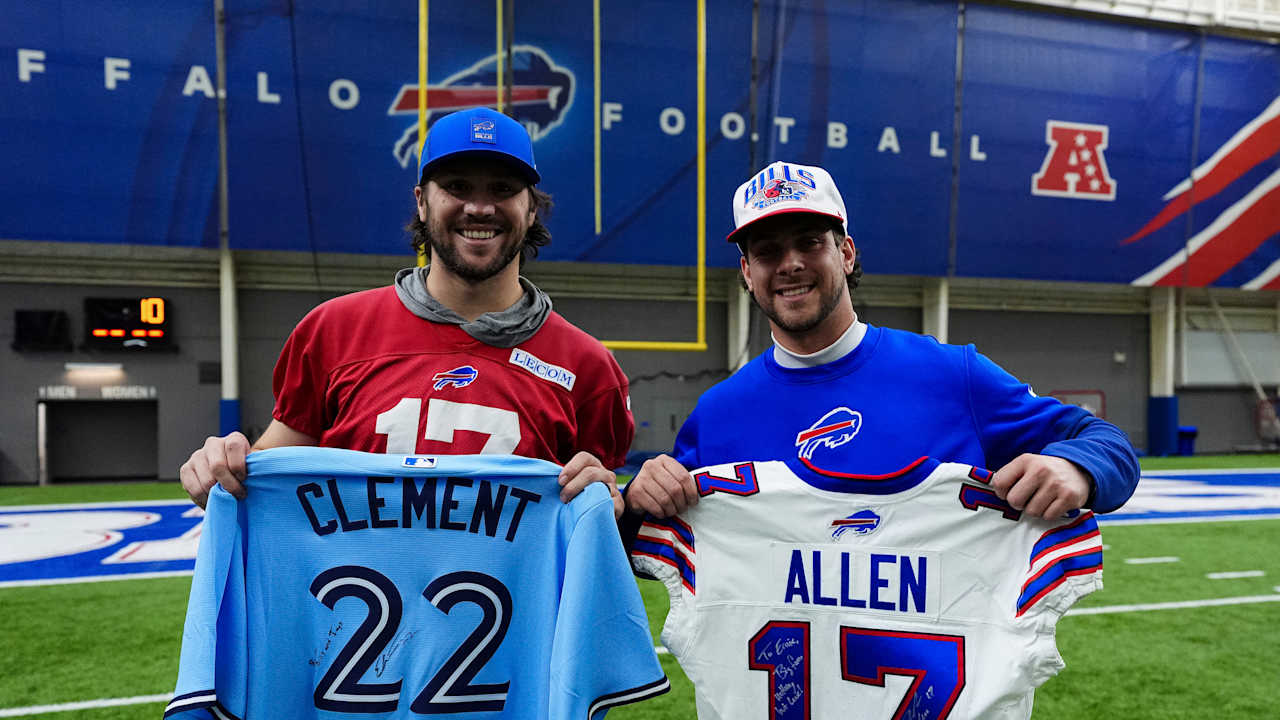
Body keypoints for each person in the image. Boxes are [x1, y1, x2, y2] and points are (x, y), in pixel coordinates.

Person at [624, 160, 1139, 523]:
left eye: (810, 242)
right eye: (767, 251)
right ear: (746, 272)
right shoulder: (718, 413)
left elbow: (1109, 445)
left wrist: (1077, 467)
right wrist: (637, 497)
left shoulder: (951, 375)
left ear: (846, 253)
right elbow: (645, 540)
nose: (791, 264)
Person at [180, 107, 630, 516]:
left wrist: (612, 507)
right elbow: (267, 478)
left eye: (503, 189)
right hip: (353, 602)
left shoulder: (587, 367)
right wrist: (224, 466)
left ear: (531, 208)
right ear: (421, 200)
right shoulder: (334, 330)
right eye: (456, 187)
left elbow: (599, 514)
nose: (478, 207)